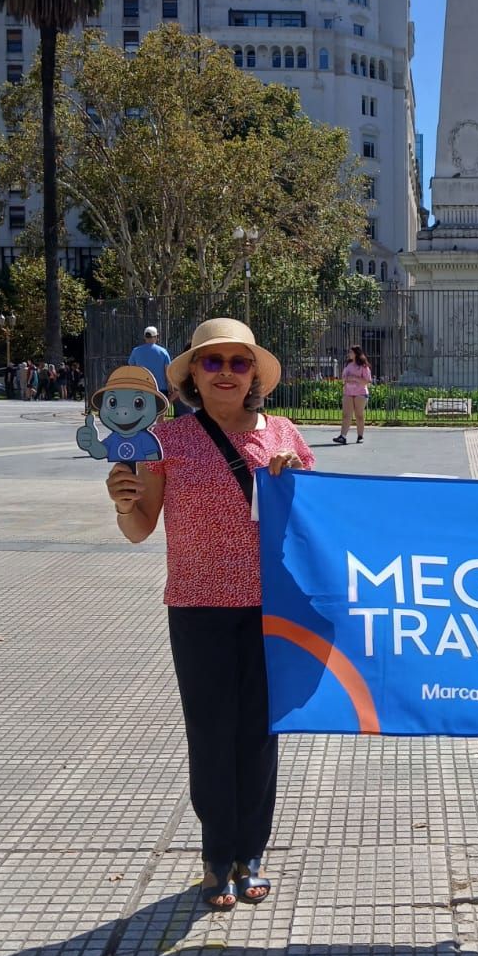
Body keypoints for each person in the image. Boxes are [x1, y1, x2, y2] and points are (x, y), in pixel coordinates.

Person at [104, 317, 314, 910]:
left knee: (260, 734)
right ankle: (217, 854)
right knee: (211, 732)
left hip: (273, 608)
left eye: (238, 362)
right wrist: (122, 503)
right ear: (193, 373)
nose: (226, 373)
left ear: (254, 375)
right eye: (212, 362)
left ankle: (252, 852)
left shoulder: (284, 434)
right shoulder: (165, 440)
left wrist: (295, 479)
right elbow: (139, 528)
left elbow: (317, 522)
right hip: (197, 606)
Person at [127, 325, 176, 406]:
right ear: (156, 337)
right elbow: (167, 371)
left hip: (142, 388)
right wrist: (170, 386)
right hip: (160, 389)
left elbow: (131, 369)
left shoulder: (136, 351)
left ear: (144, 337)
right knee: (160, 412)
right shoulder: (163, 352)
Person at [335, 345, 373, 444]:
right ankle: (342, 436)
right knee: (346, 415)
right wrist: (347, 379)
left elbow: (367, 381)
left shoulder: (364, 366)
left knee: (359, 415)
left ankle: (360, 436)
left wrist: (355, 378)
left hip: (360, 393)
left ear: (356, 353)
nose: (349, 354)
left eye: (351, 352)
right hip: (348, 392)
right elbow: (343, 378)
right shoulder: (348, 365)